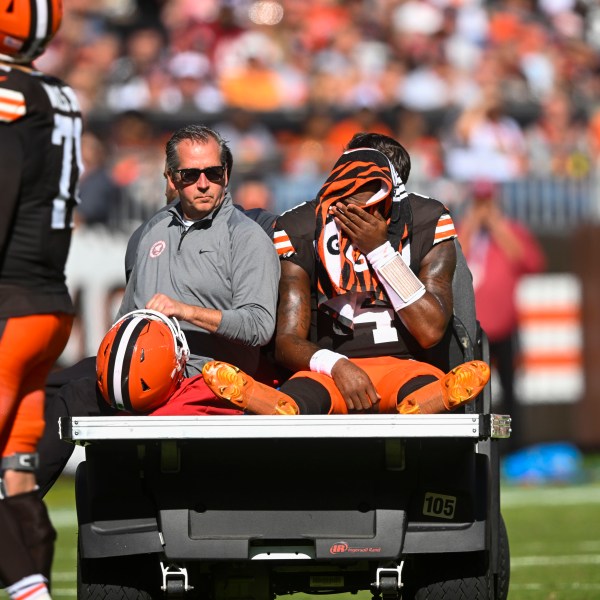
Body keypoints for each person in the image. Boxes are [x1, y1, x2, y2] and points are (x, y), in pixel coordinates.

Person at [36, 124, 280, 494]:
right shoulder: (149, 232)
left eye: (213, 173)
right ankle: (15, 490)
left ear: (226, 175)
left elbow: (259, 326)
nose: (203, 183)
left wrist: (186, 311)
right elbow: (126, 319)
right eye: (190, 174)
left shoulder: (246, 238)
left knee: (77, 396)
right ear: (171, 178)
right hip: (145, 364)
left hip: (204, 376)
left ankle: (14, 505)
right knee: (35, 386)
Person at [203, 133, 490, 416]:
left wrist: (380, 252)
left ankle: (431, 397)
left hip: (408, 363)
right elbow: (287, 340)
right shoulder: (302, 226)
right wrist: (335, 364)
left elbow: (429, 332)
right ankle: (264, 399)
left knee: (423, 390)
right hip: (331, 373)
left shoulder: (427, 218)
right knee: (298, 400)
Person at [0, 1, 82, 599]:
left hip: (9, 302)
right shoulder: (59, 94)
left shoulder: (9, 94)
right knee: (17, 475)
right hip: (48, 300)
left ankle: (30, 593)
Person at [457, 180, 546, 449]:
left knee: (510, 390)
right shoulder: (464, 231)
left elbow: (530, 263)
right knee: (469, 390)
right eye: (479, 203)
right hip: (471, 329)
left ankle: (514, 447)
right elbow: (454, 259)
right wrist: (472, 224)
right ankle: (472, 446)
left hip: (505, 327)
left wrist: (498, 227)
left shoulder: (511, 232)